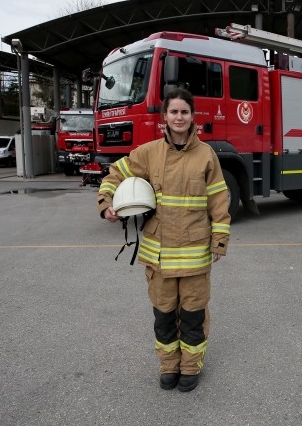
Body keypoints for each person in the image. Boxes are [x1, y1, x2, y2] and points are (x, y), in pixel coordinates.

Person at [96, 88, 231, 392]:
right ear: (165, 117)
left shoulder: (206, 155)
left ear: (192, 116)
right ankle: (169, 365)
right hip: (159, 258)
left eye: (184, 111)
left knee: (193, 316)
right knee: (164, 317)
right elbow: (115, 174)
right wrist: (107, 204)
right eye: (174, 112)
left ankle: (190, 367)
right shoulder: (149, 152)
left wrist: (219, 238)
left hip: (195, 255)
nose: (179, 117)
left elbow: (219, 200)